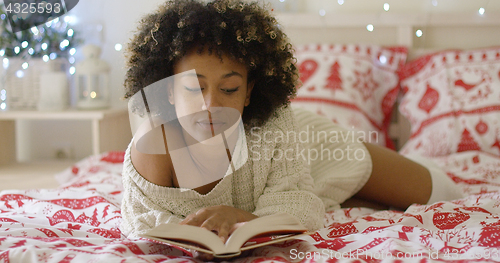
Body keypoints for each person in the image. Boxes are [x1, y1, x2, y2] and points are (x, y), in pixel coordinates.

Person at [120, 0, 462, 254]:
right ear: (168, 89)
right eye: (194, 88)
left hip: (316, 150)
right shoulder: (152, 145)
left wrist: (241, 217)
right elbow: (142, 223)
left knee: (443, 193)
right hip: (279, 181)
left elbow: (301, 206)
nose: (211, 106)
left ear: (250, 90)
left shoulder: (275, 123)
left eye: (229, 89)